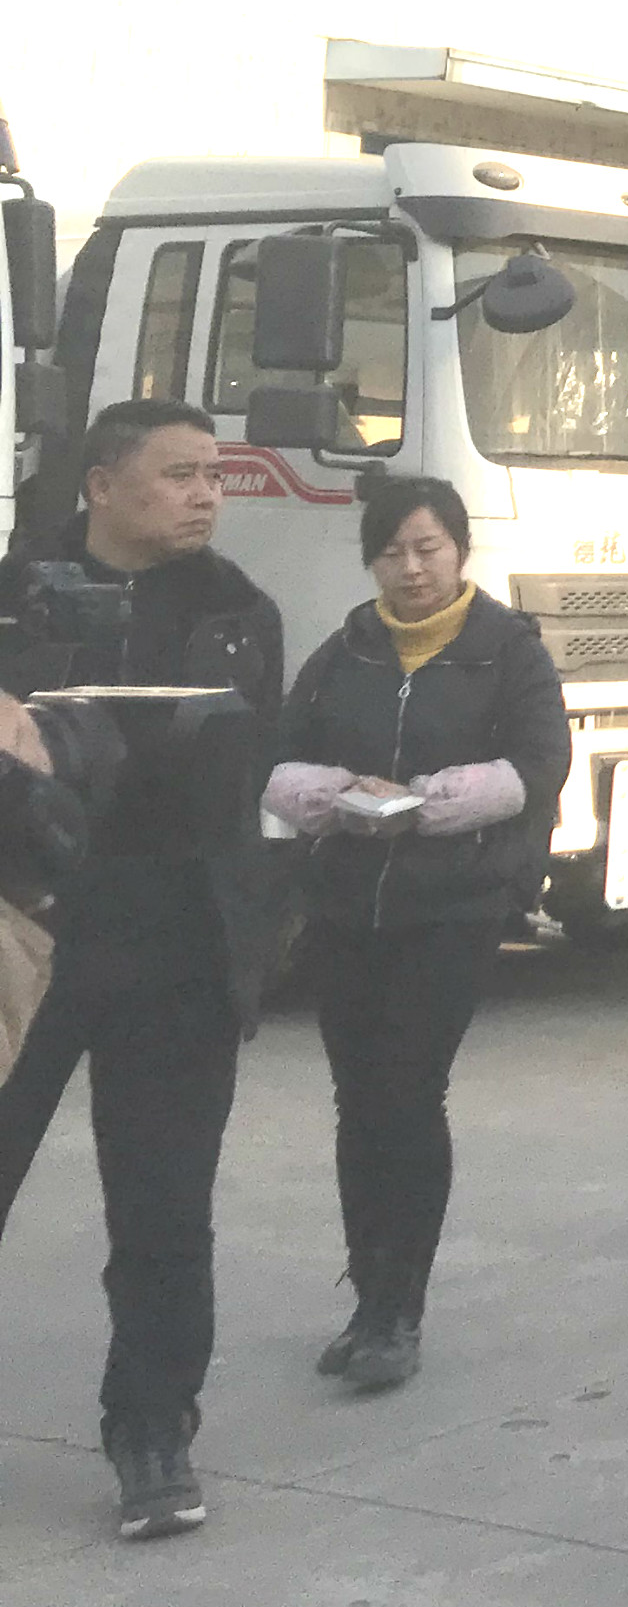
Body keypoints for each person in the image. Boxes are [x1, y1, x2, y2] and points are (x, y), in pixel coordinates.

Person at [0, 398, 286, 1542]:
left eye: (213, 474)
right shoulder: (15, 593)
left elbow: (243, 774)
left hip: (176, 943)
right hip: (27, 933)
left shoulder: (238, 613)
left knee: (165, 1210)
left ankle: (154, 1429)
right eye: (177, 474)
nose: (205, 494)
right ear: (101, 486)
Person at [261, 477, 569, 1393]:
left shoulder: (507, 650)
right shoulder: (347, 648)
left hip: (452, 908)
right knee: (358, 1101)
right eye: (392, 551)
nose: (411, 567)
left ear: (460, 550)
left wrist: (428, 804)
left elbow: (540, 764)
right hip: (347, 904)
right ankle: (368, 1300)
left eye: (428, 548)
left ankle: (400, 1310)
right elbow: (277, 754)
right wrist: (333, 793)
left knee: (406, 1091)